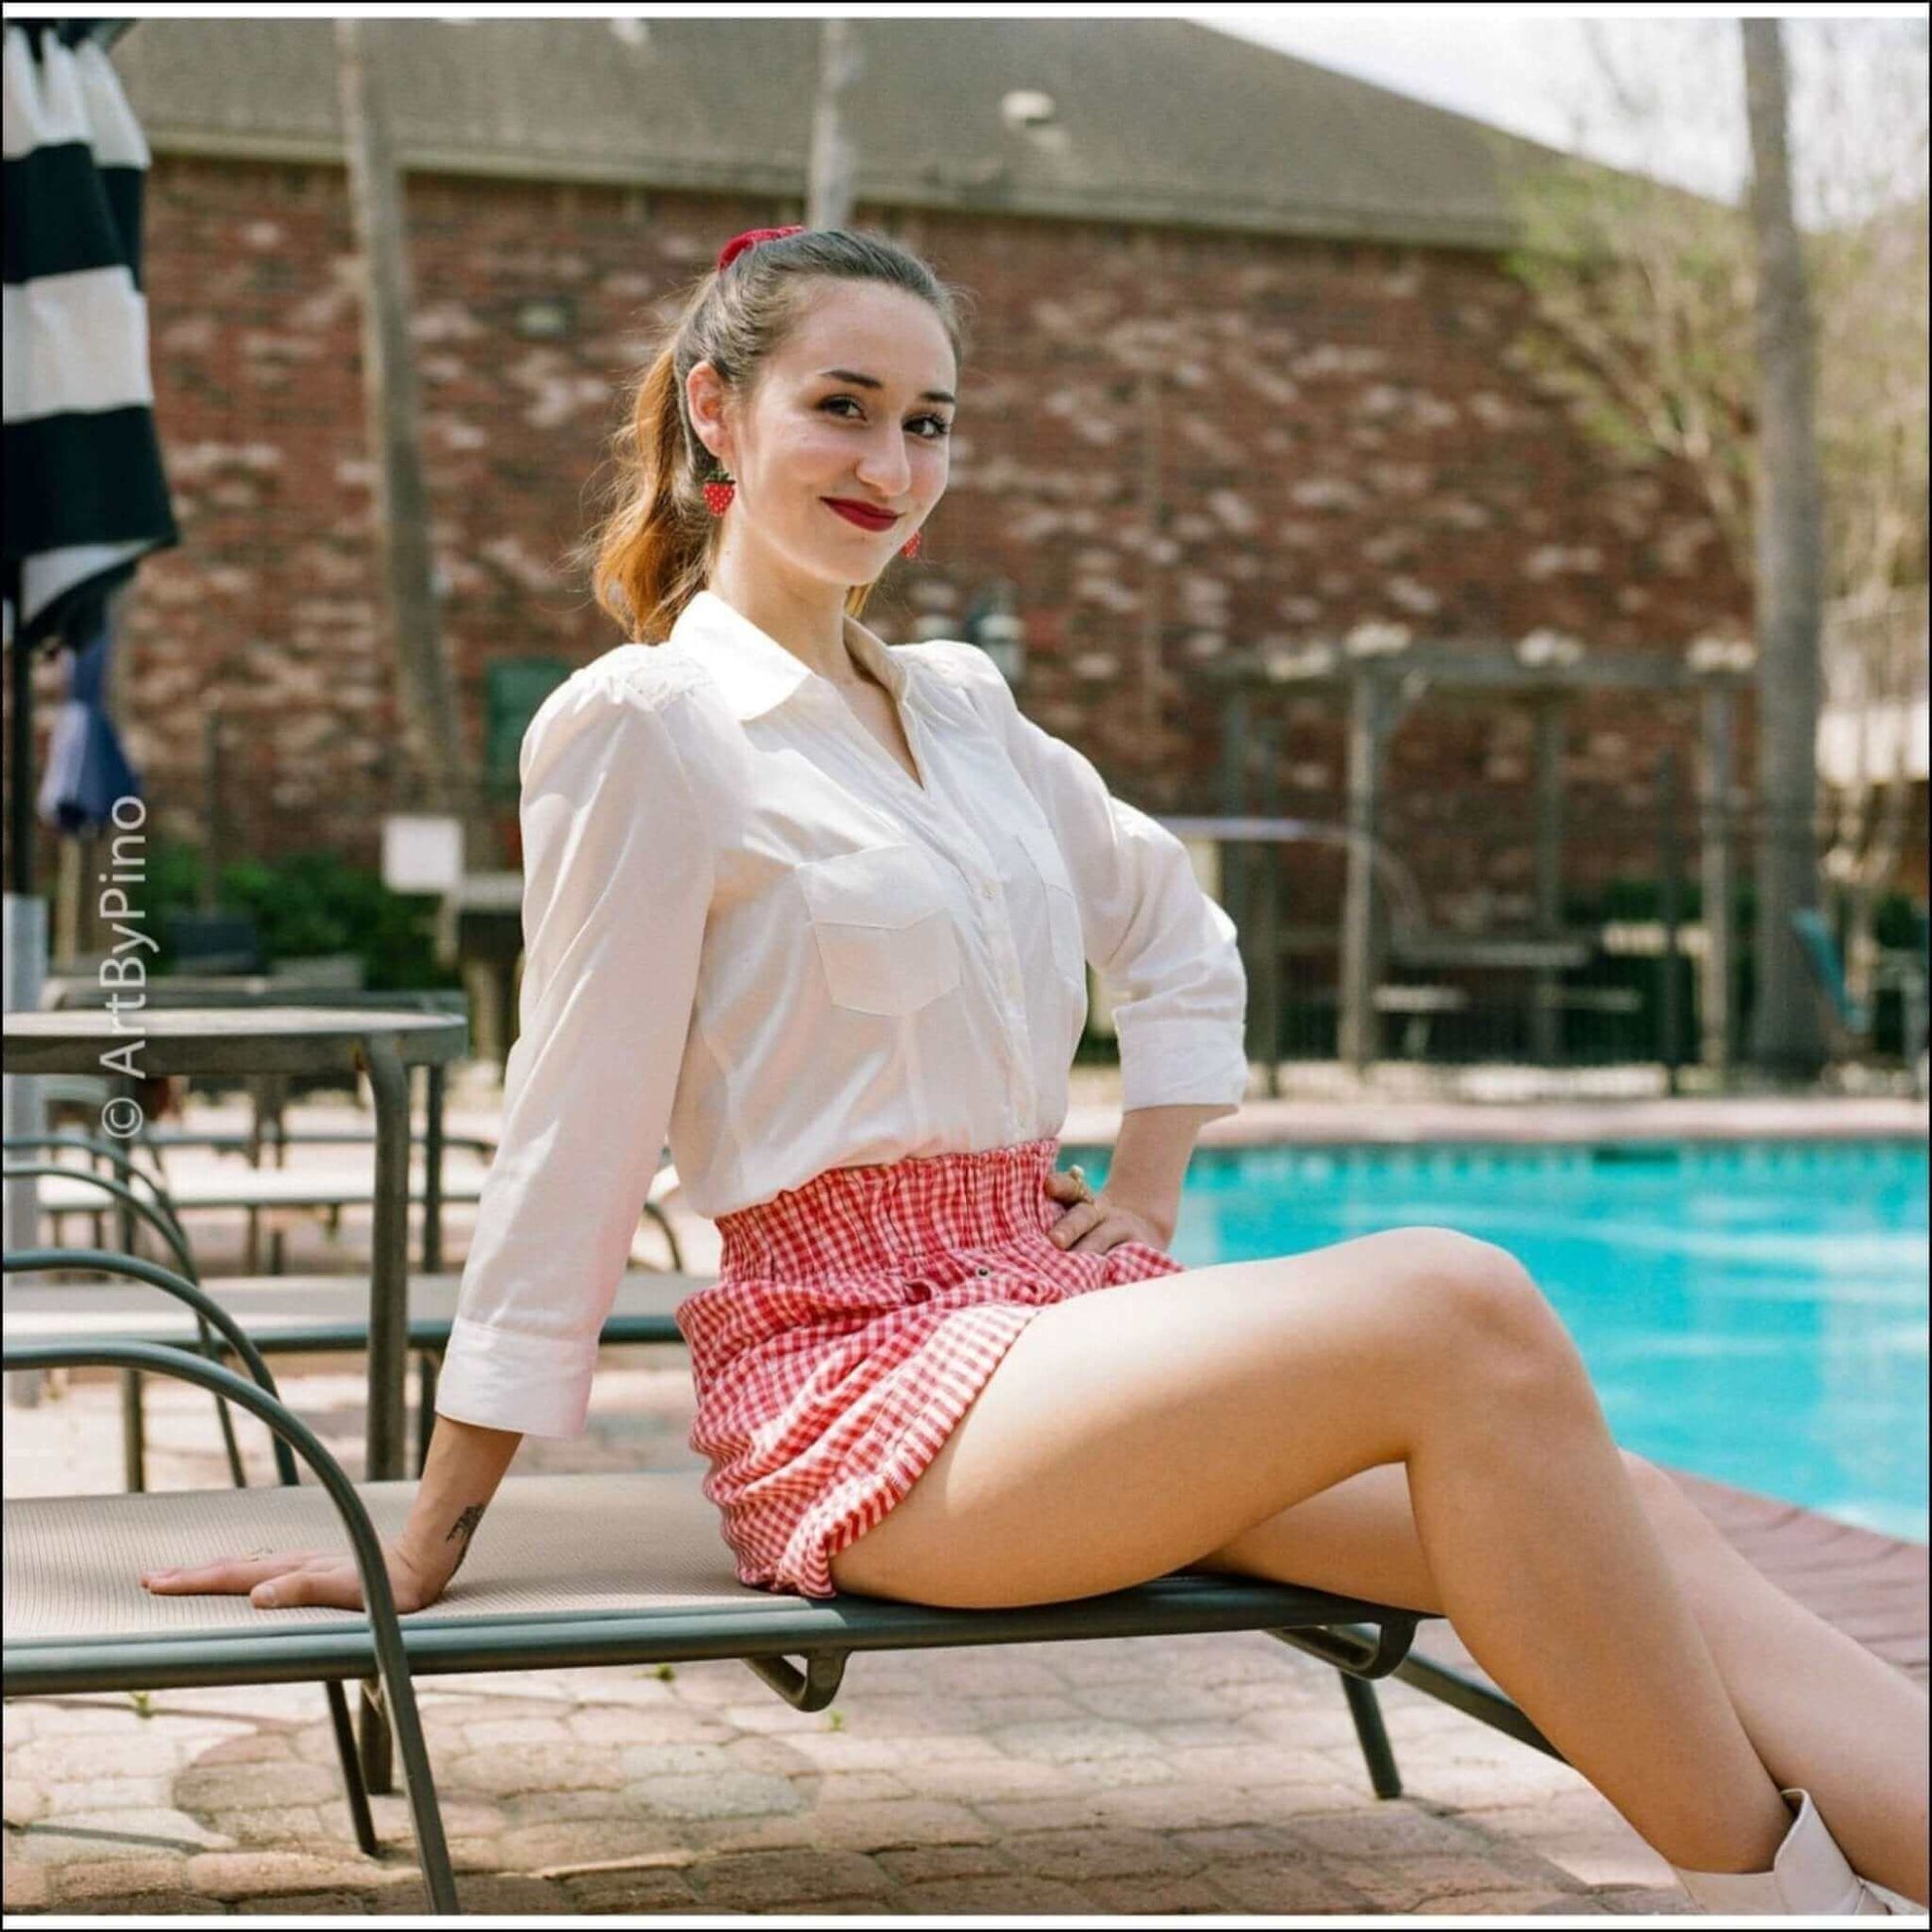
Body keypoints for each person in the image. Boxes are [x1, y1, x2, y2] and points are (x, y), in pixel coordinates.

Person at [143, 225, 1926, 1917]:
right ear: (717, 413)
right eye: (840, 407)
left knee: (1643, 1511)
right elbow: (571, 1121)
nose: (891, 463)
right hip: (858, 1397)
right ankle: (1774, 1907)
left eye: (927, 424)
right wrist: (438, 1513)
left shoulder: (966, 706)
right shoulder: (644, 726)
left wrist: (1142, 1184)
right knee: (1451, 1300)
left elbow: (1178, 937)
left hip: (1050, 1330)